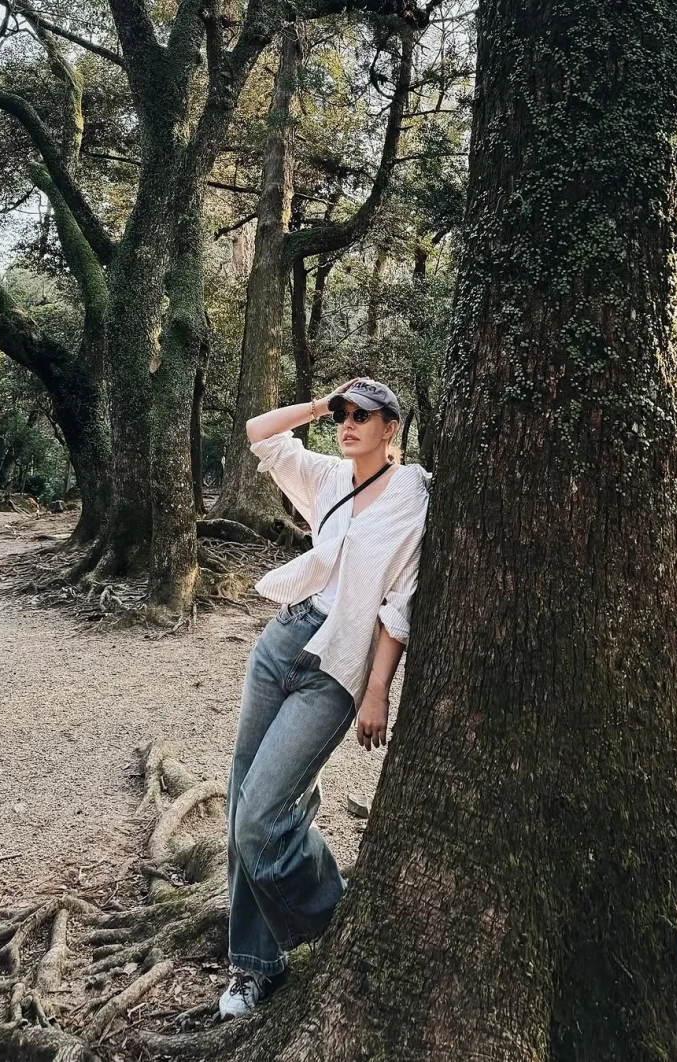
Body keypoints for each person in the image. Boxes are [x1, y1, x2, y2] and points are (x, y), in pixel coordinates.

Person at [219, 377, 431, 1019]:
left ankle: (333, 915)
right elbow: (259, 434)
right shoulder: (328, 477)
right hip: (283, 641)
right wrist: (317, 404)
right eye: (343, 413)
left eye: (363, 414)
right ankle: (254, 964)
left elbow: (400, 606)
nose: (348, 423)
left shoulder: (415, 495)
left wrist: (378, 690)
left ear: (391, 427)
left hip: (336, 668)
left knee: (261, 815)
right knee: (242, 800)